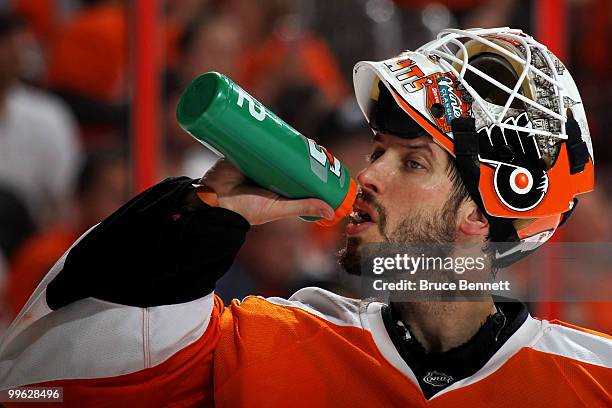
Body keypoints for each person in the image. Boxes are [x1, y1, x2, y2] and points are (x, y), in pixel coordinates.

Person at [0, 28, 610, 407]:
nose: (366, 174)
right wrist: (200, 220)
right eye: (377, 151)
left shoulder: (594, 382)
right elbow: (36, 387)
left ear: (482, 215)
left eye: (413, 163)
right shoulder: (262, 342)